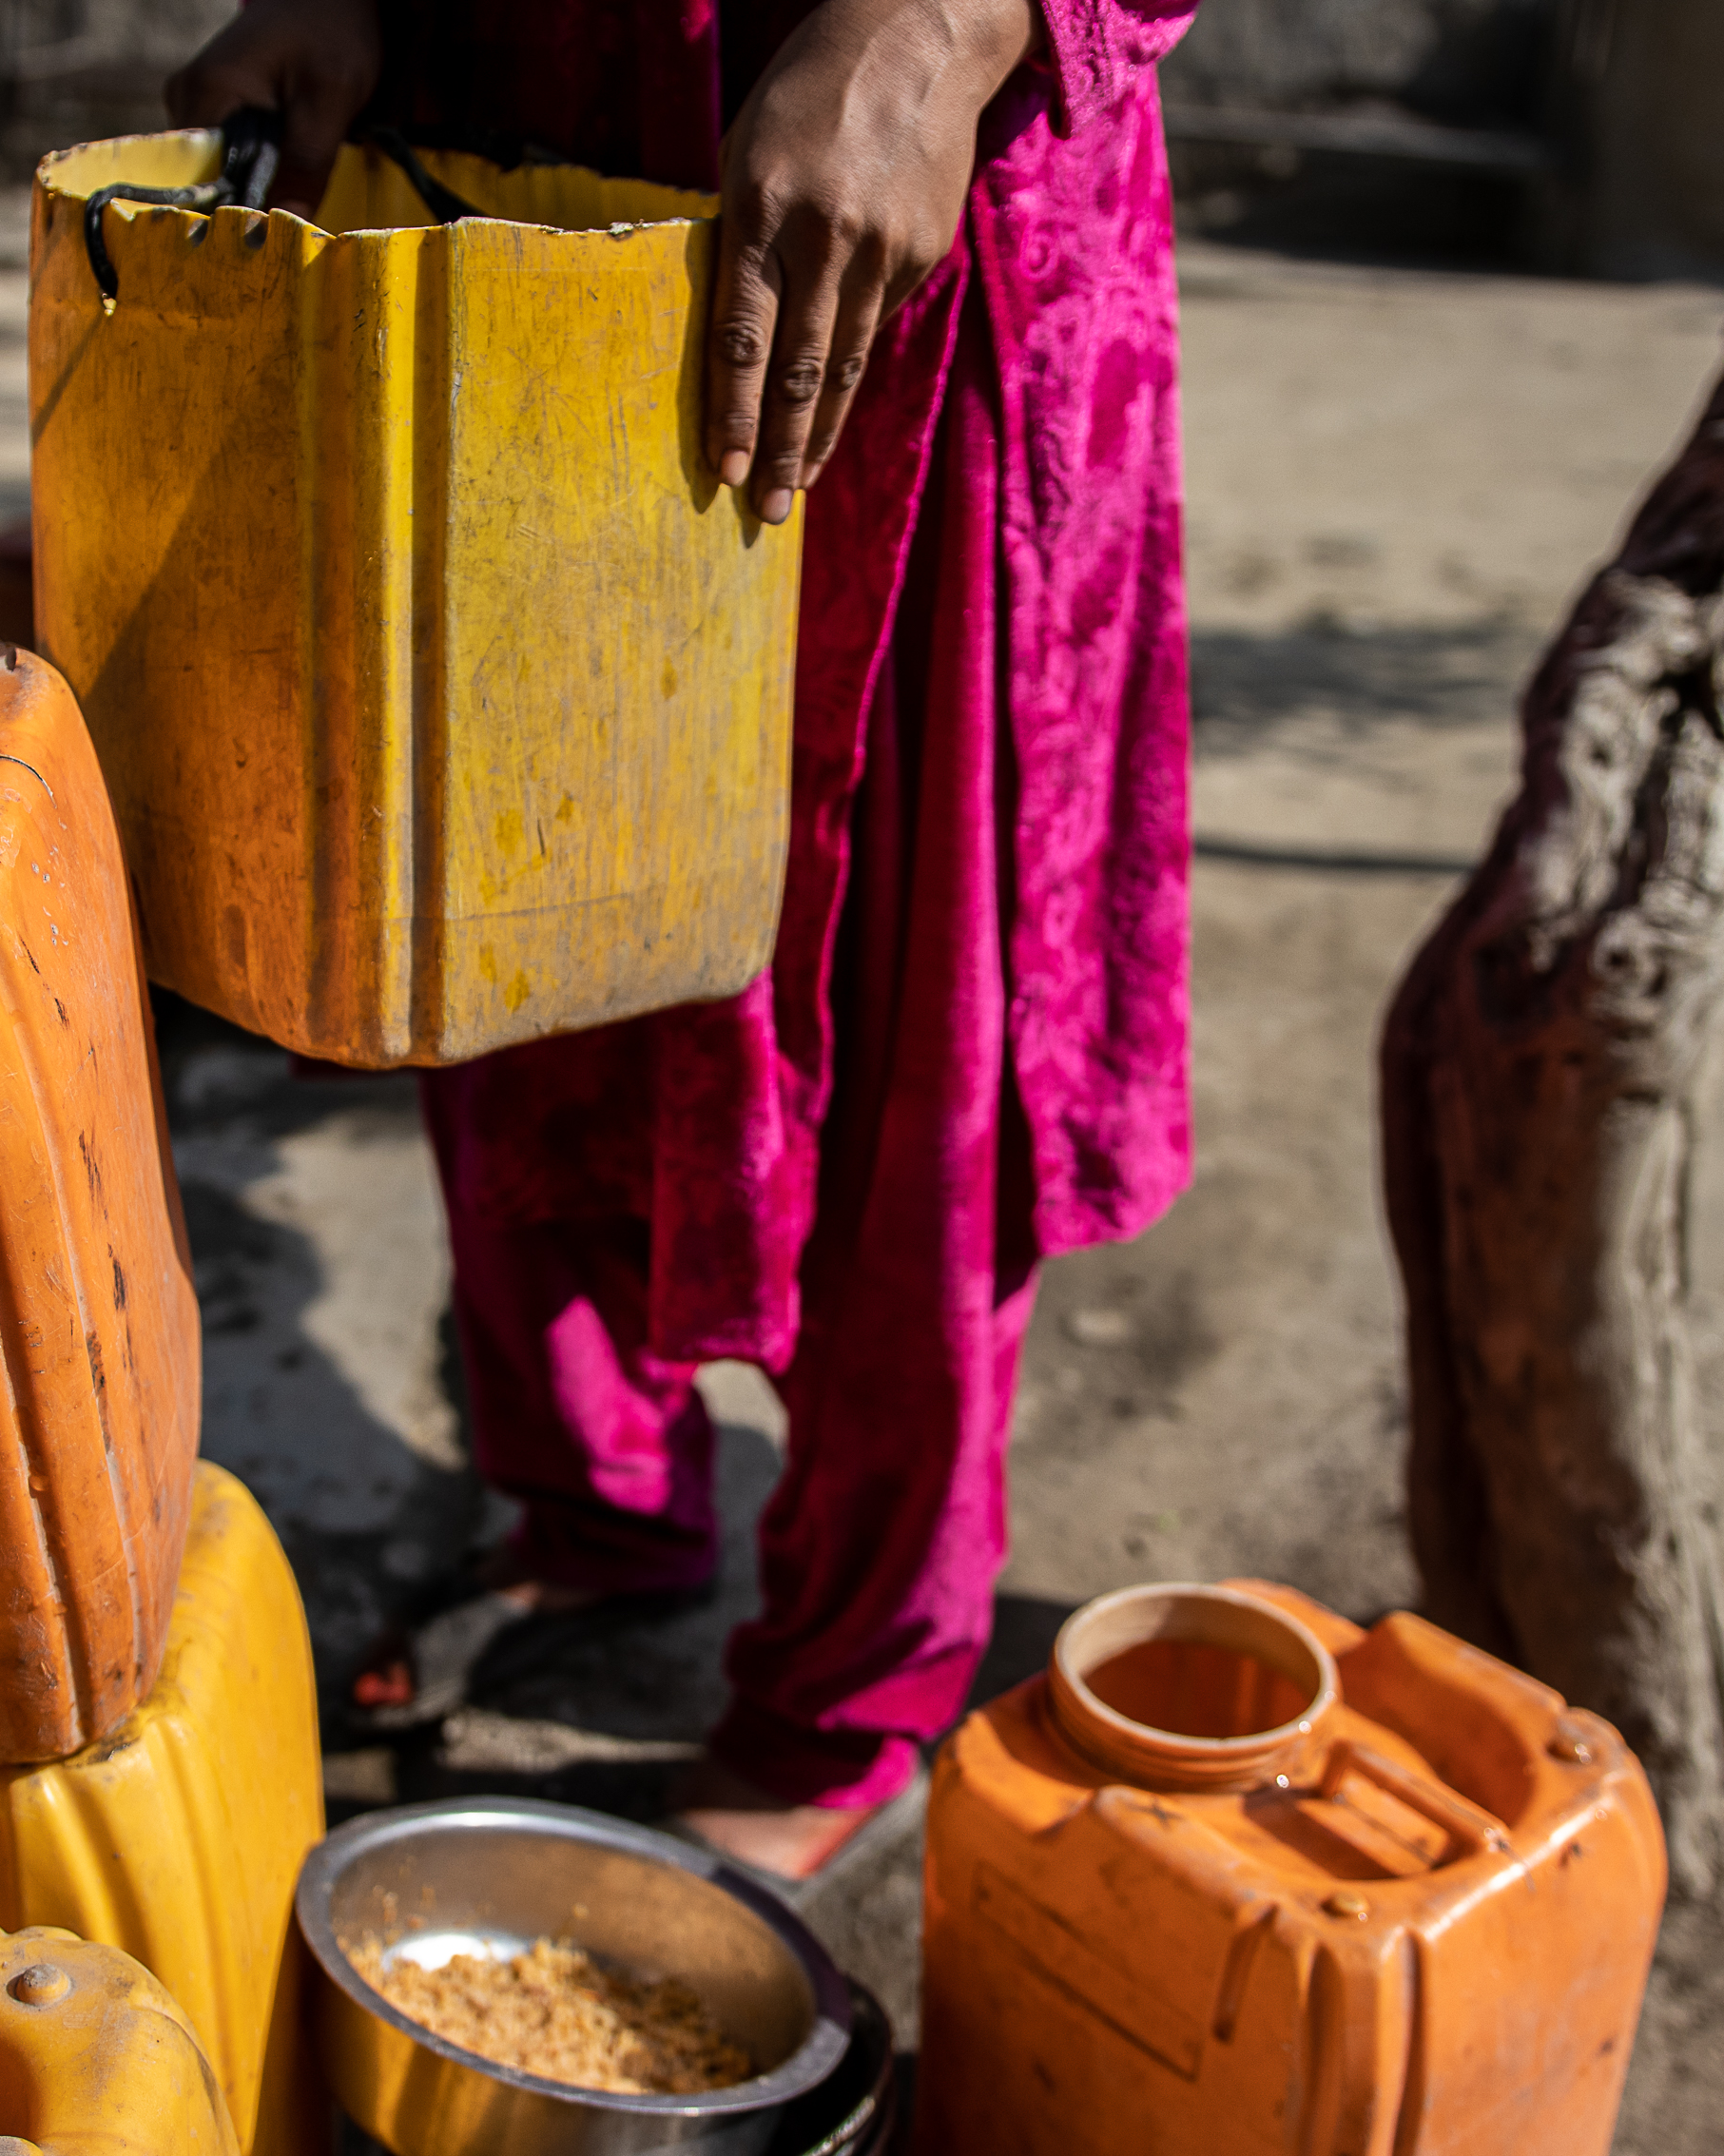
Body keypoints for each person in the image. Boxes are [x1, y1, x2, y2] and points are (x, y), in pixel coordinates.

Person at [167, 0, 1192, 1880]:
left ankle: (853, 1680)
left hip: (897, 219)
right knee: (505, 898)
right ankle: (599, 1506)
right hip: (522, 149)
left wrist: (947, 27)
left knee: (899, 997)